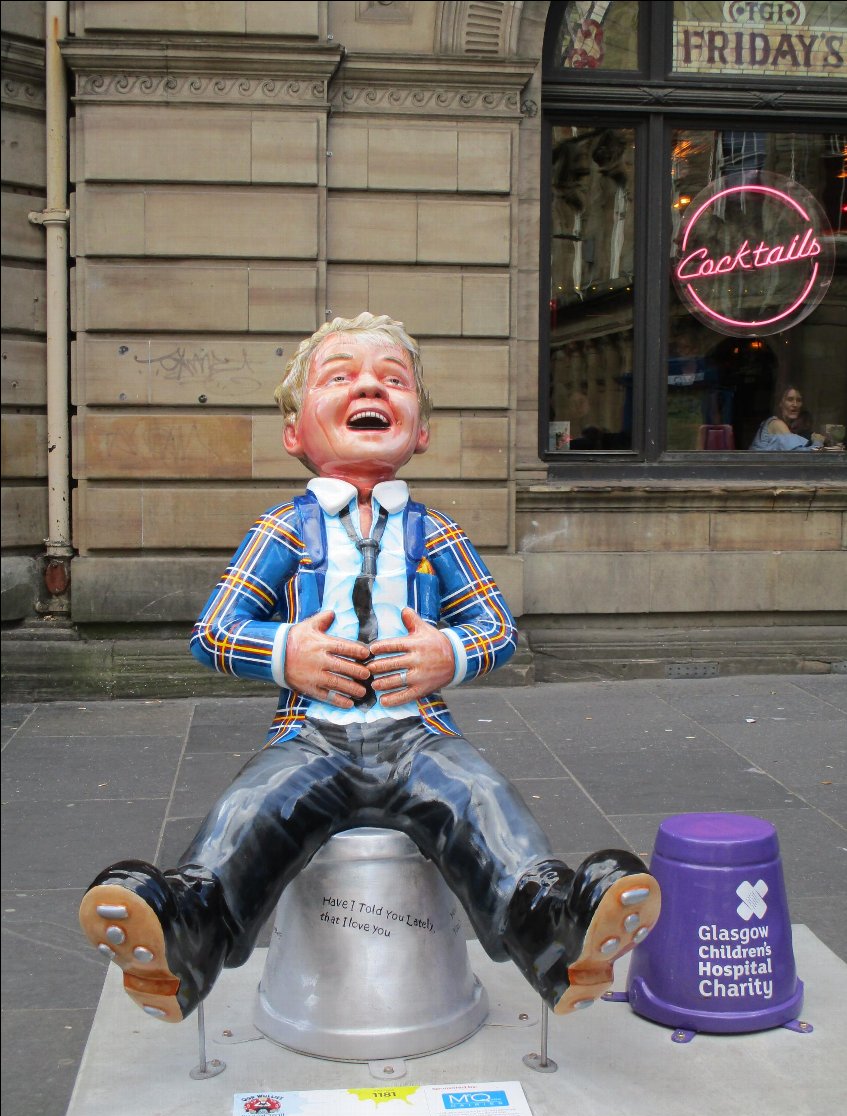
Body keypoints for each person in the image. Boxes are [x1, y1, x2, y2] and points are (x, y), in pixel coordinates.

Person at [79, 313, 660, 1026]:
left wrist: (448, 652)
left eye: (392, 379)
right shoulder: (282, 530)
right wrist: (283, 650)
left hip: (417, 736)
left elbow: (498, 626)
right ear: (295, 432)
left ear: (420, 431)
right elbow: (213, 630)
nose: (369, 387)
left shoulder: (435, 530)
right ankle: (187, 931)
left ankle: (552, 929)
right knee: (252, 808)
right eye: (340, 375)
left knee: (479, 798)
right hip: (311, 738)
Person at [749, 386, 829, 452]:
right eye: (790, 399)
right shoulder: (777, 424)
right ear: (780, 403)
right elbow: (798, 455)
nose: (795, 404)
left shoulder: (785, 425)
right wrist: (818, 442)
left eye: (798, 400)